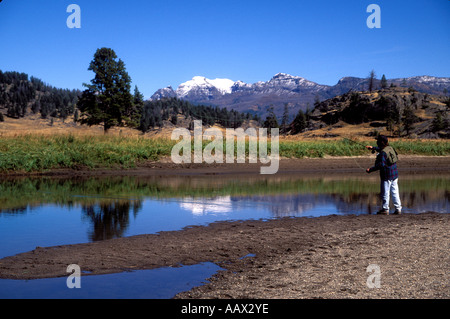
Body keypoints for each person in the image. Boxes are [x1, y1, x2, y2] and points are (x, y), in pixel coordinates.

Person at [366, 135, 402, 215]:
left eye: (378, 140)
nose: (377, 142)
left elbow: (381, 165)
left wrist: (370, 170)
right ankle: (398, 209)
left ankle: (385, 209)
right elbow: (383, 150)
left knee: (385, 193)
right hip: (394, 174)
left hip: (386, 176)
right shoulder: (390, 148)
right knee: (395, 192)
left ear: (381, 142)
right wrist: (373, 148)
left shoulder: (382, 153)